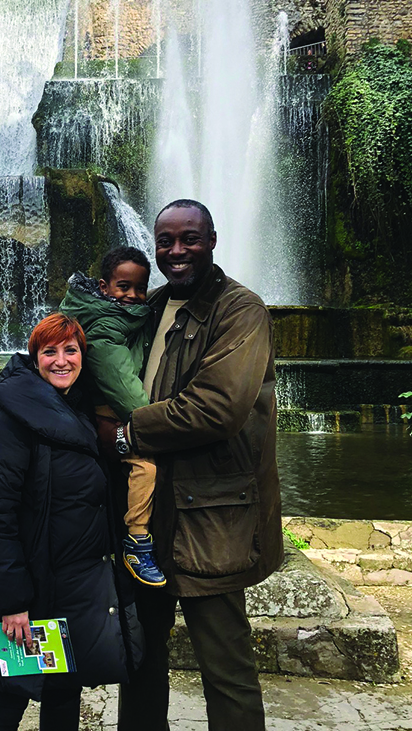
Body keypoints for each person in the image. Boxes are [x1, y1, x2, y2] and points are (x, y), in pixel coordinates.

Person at [100, 200, 283, 731]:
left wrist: (124, 435)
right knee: (139, 660)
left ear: (212, 241)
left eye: (190, 239)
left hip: (212, 519)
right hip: (146, 518)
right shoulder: (148, 306)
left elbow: (217, 408)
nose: (176, 251)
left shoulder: (240, 310)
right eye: (165, 241)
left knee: (225, 667)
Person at [0, 313, 143, 731]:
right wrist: (13, 604)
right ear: (35, 358)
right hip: (35, 590)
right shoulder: (11, 422)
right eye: (50, 352)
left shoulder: (80, 410)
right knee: (7, 701)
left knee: (65, 698)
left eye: (71, 350)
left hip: (77, 590)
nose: (61, 361)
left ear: (83, 356)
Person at [59, 247, 165, 589]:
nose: (133, 295)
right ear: (104, 287)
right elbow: (125, 392)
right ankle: (137, 539)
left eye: (140, 288)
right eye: (124, 287)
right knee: (146, 463)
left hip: (104, 407)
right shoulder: (105, 327)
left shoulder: (117, 315)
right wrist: (153, 422)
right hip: (111, 410)